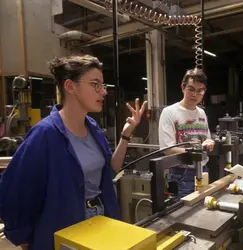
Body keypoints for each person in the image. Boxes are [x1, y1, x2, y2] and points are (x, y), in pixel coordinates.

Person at [0, 55, 147, 250]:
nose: (103, 92)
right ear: (70, 86)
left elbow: (110, 170)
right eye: (95, 84)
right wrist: (25, 239)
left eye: (102, 85)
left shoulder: (92, 127)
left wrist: (126, 135)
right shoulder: (45, 134)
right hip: (63, 228)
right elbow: (14, 191)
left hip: (100, 220)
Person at [158, 68, 214, 198]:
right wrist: (196, 151)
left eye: (200, 91)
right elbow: (167, 149)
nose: (195, 94)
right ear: (183, 87)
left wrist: (209, 142)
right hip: (182, 174)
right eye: (191, 89)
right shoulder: (170, 112)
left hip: (203, 170)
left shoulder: (202, 113)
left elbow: (207, 140)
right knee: (184, 214)